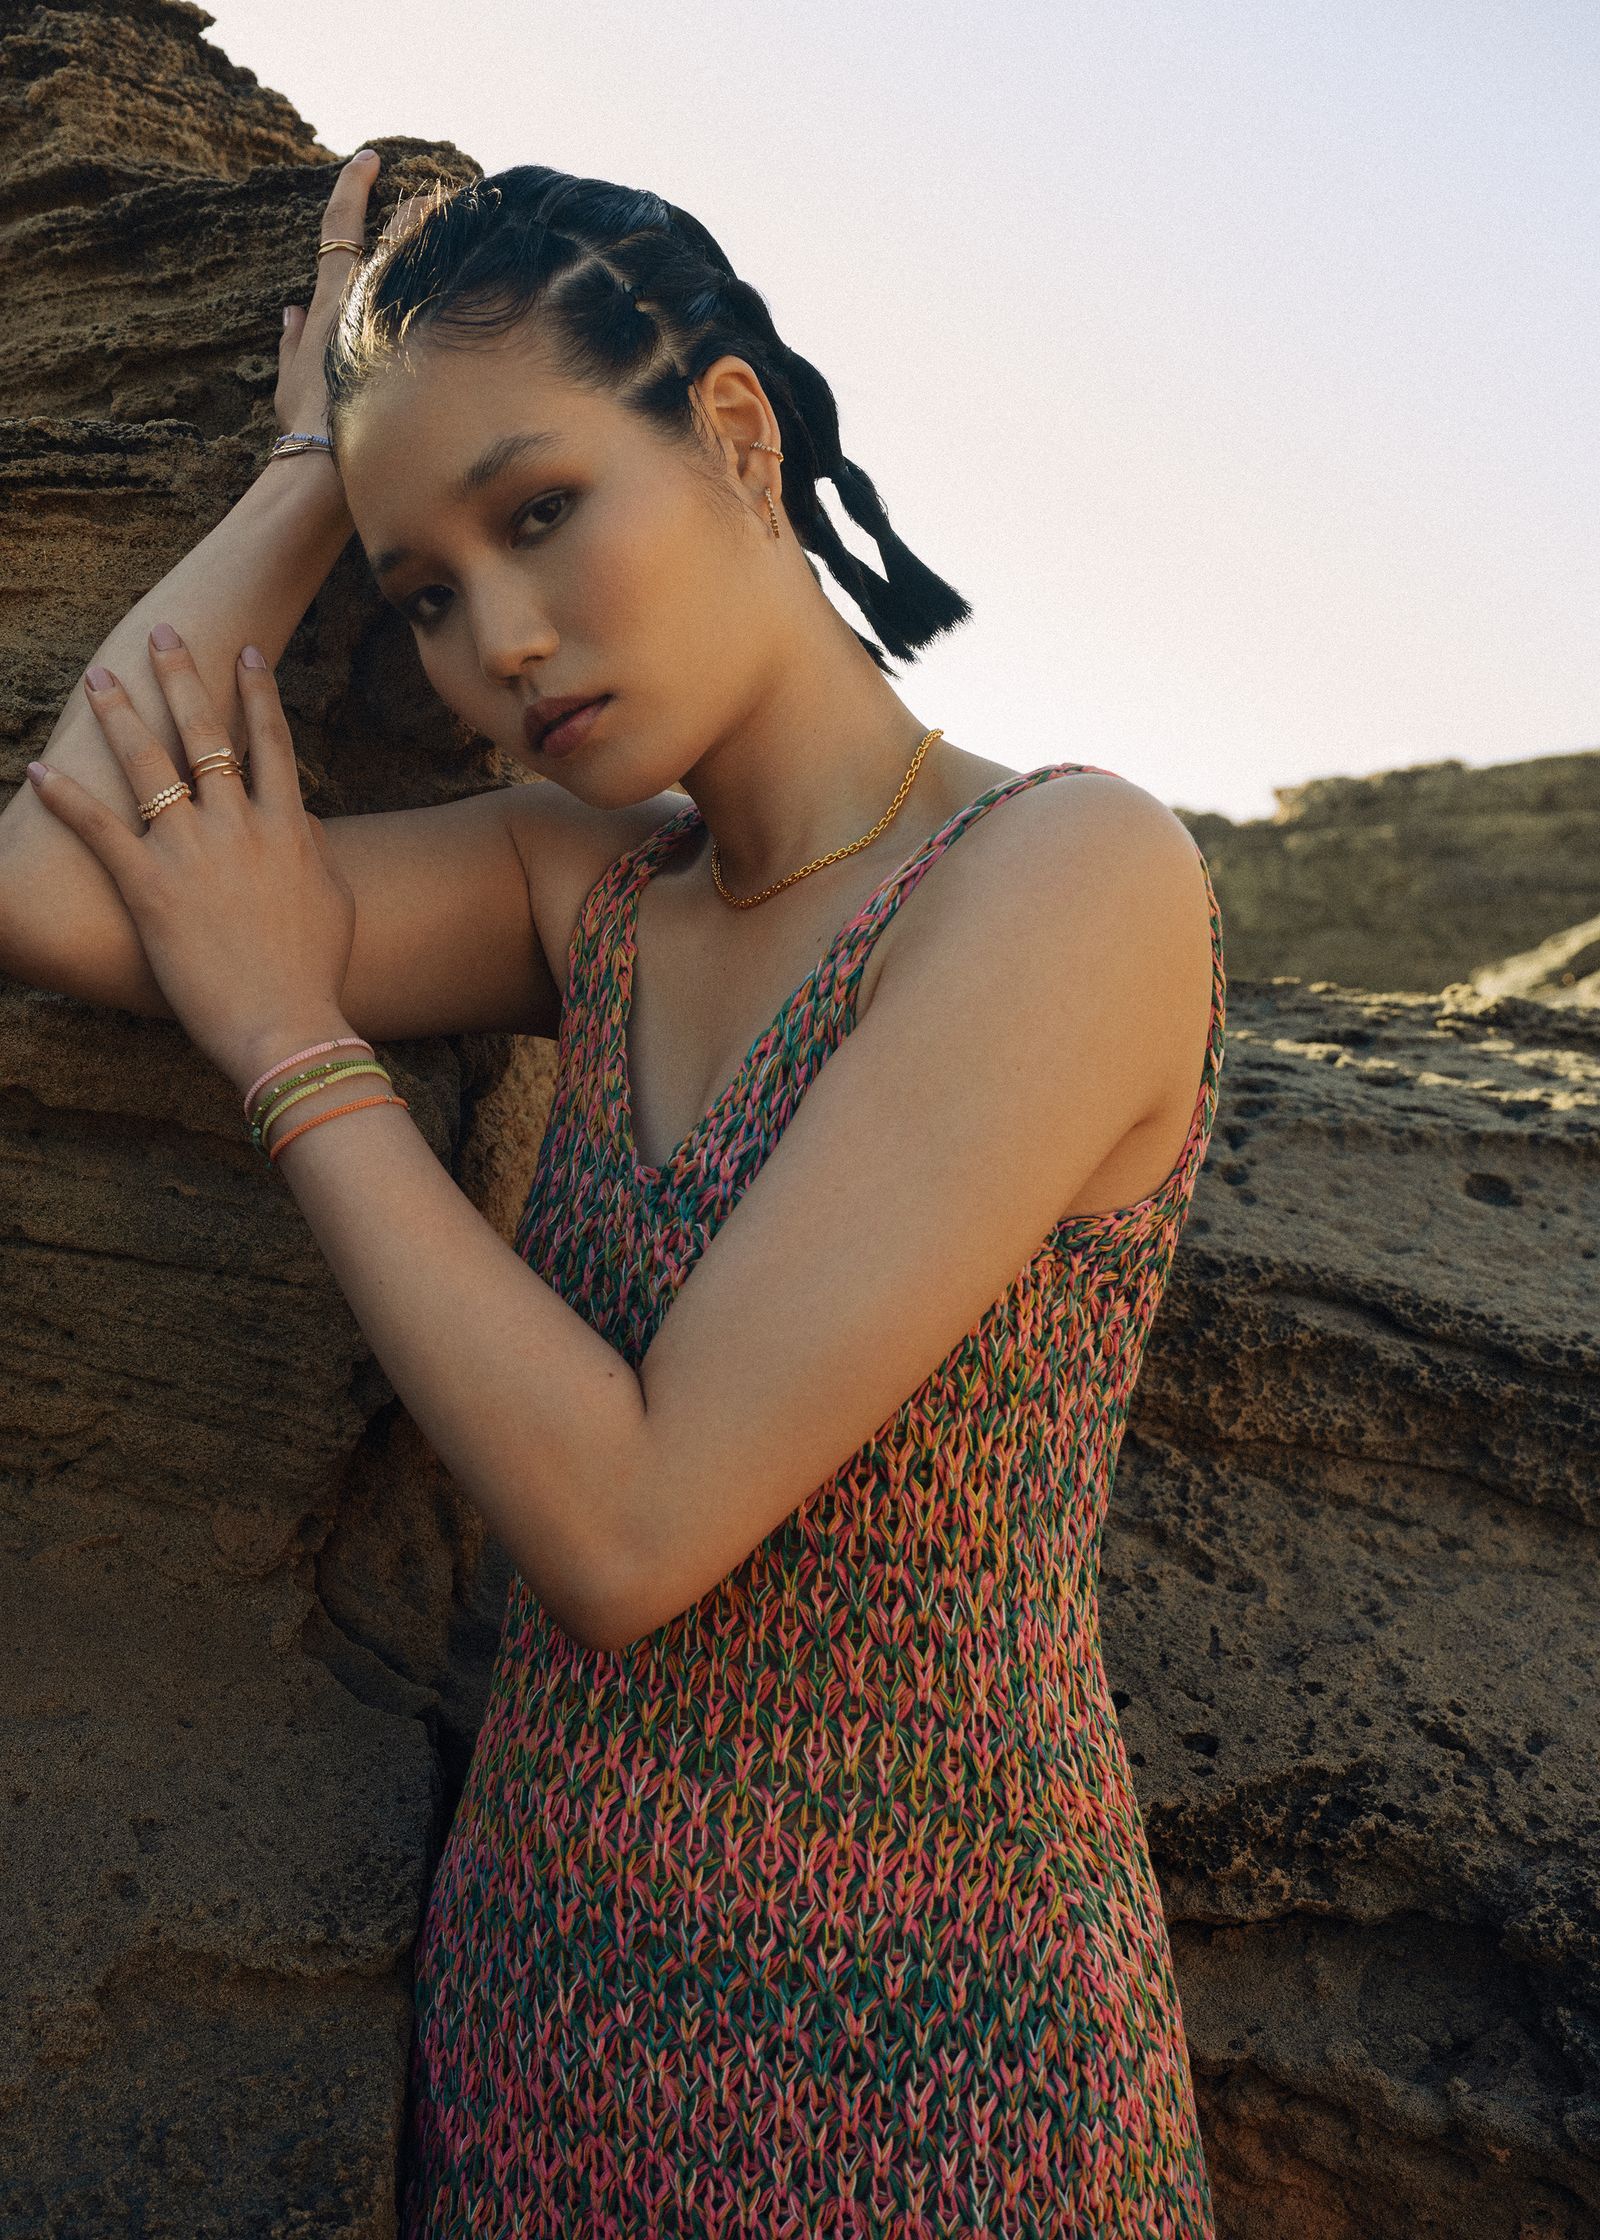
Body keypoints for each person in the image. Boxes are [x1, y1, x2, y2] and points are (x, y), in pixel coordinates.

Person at [0, 148, 1225, 2237]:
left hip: (943, 2090)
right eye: (429, 591)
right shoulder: (584, 896)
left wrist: (293, 1046)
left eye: (540, 508)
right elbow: (52, 876)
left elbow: (634, 1523)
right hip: (537, 2044)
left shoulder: (1065, 877)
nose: (502, 638)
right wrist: (317, 466)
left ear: (732, 432)